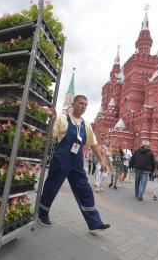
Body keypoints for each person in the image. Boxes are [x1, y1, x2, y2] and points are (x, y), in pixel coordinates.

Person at [38, 95, 110, 231]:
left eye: (85, 104)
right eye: (81, 103)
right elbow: (50, 136)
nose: (83, 106)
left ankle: (95, 222)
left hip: (77, 161)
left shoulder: (86, 124)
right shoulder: (62, 119)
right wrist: (51, 120)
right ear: (73, 104)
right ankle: (42, 213)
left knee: (85, 189)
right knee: (52, 187)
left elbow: (94, 144)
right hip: (62, 159)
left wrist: (102, 160)